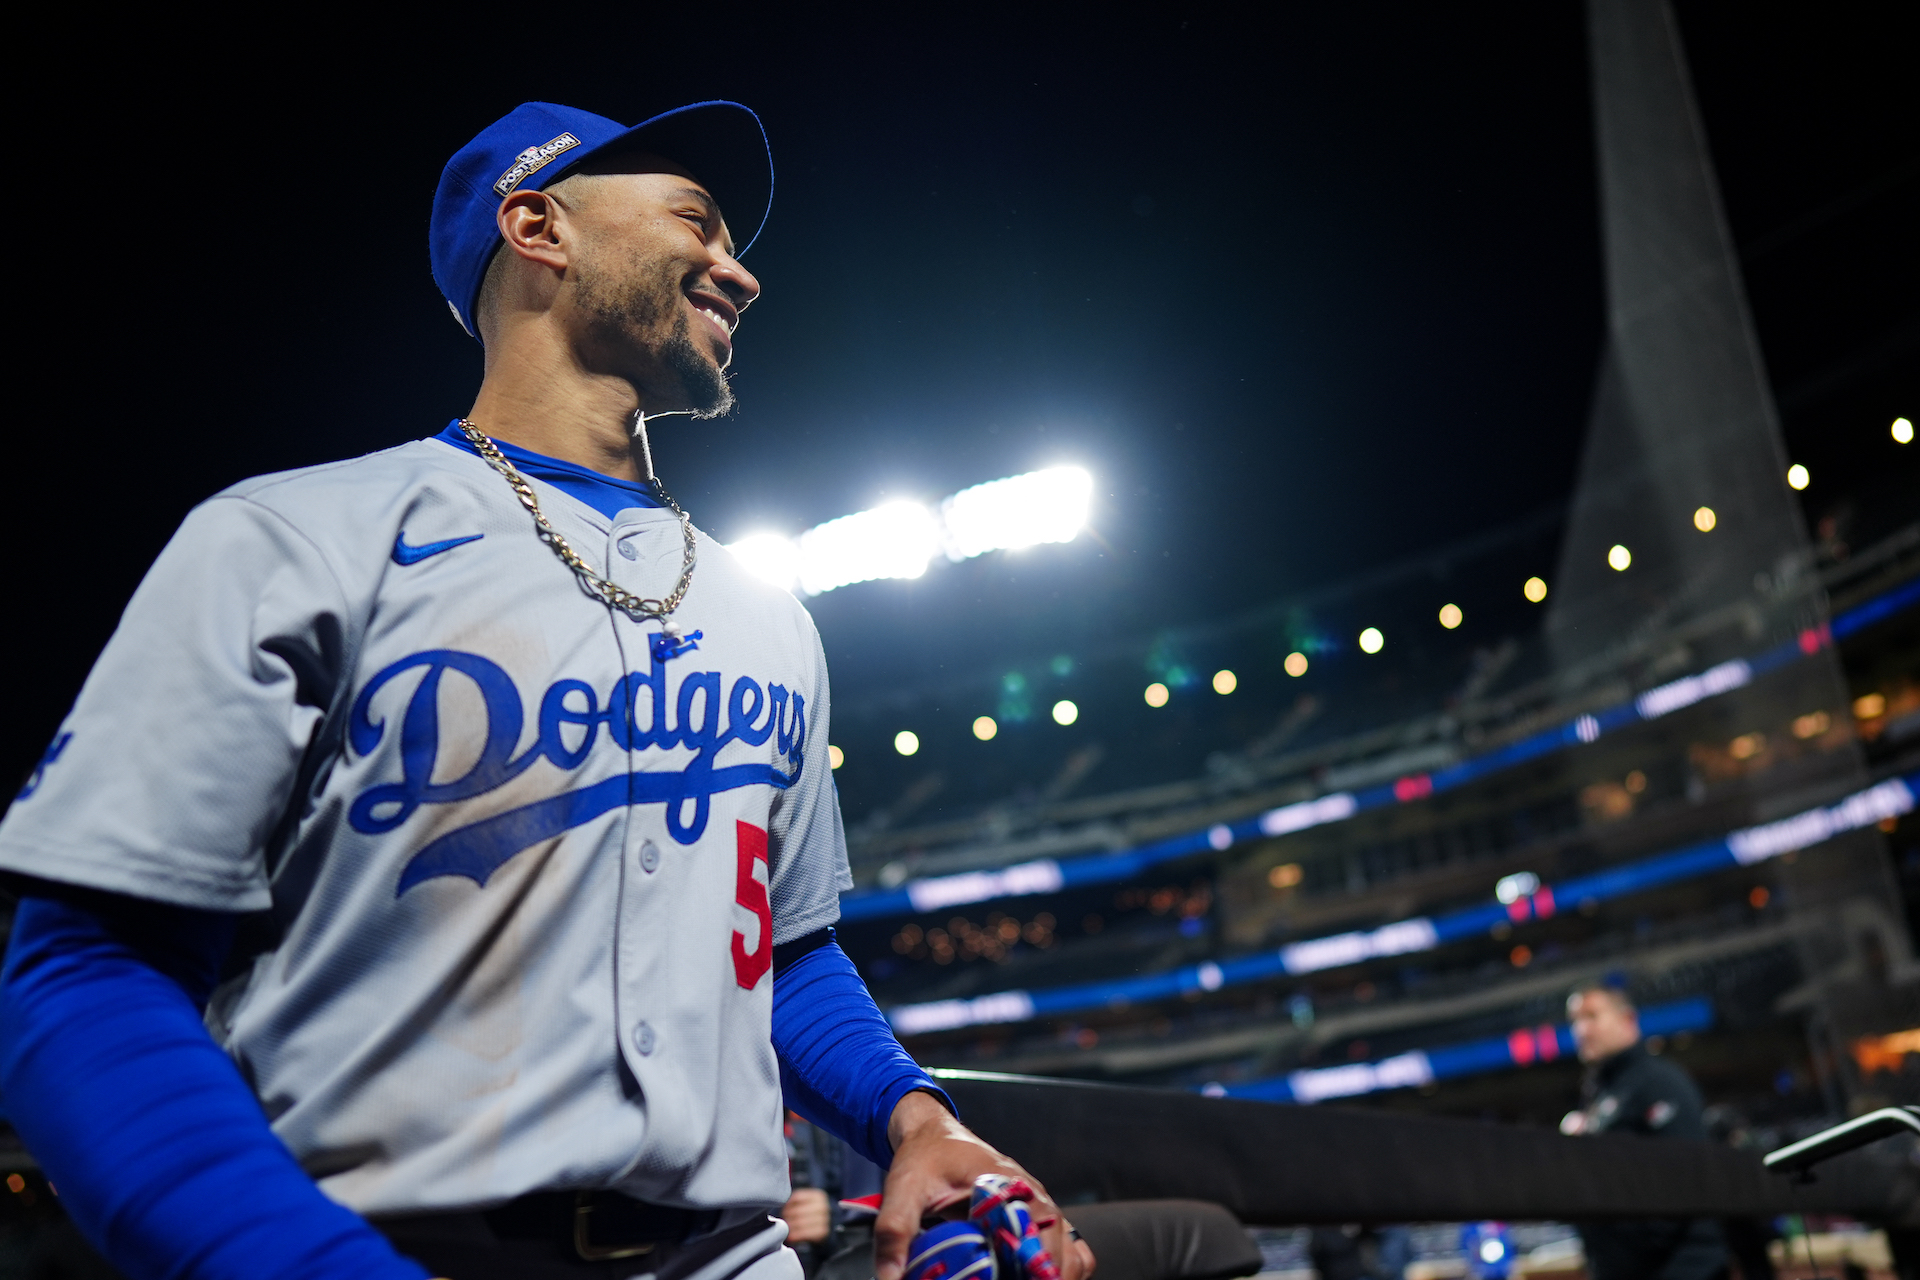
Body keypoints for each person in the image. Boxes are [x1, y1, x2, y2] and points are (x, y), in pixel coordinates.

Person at [0, 100, 1096, 1280]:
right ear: (538, 226)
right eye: (698, 220)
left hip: (733, 1254)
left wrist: (912, 1116)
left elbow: (779, 951)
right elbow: (84, 970)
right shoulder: (292, 539)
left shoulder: (769, 614)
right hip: (376, 1242)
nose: (743, 271)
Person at [1561, 984, 1727, 1280]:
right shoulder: (1600, 1094)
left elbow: (1688, 1176)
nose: (1581, 1030)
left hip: (1681, 1269)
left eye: (1591, 1016)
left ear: (1627, 1021)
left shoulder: (1657, 1081)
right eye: (1574, 1021)